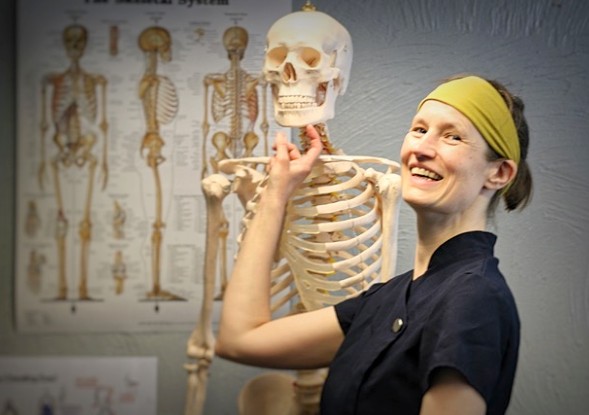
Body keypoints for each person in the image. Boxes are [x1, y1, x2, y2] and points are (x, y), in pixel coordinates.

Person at [215, 74, 533, 415]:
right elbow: (239, 340)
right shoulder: (388, 300)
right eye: (419, 129)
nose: (421, 149)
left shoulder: (473, 298)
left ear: (499, 173)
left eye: (453, 137)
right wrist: (276, 193)